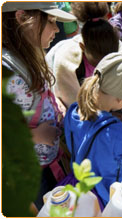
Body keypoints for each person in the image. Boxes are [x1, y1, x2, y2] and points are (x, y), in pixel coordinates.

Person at [2, 2, 76, 210]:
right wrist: (36, 135)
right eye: (51, 21)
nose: (57, 29)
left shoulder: (29, 53)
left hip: (50, 159)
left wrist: (56, 104)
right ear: (21, 18)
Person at [64, 53, 122, 207]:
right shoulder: (120, 132)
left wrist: (115, 118)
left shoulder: (73, 110)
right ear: (120, 99)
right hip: (109, 195)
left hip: (84, 189)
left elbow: (95, 131)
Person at [46, 2, 119, 112]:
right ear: (82, 46)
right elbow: (75, 110)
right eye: (97, 62)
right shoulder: (67, 63)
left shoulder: (114, 46)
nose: (102, 66)